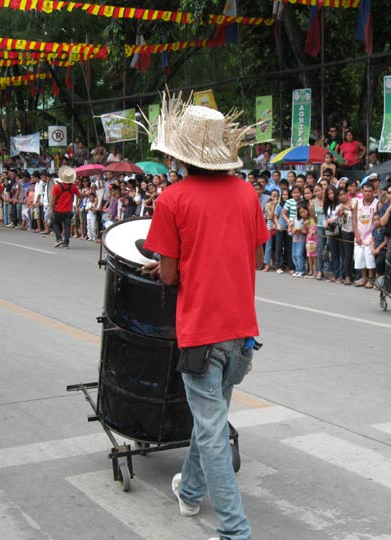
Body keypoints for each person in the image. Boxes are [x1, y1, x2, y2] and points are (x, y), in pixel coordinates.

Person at [142, 99, 266, 540]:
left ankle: (235, 531)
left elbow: (172, 273)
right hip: (242, 333)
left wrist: (171, 266)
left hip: (201, 333)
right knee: (209, 419)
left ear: (179, 156)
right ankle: (190, 491)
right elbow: (255, 256)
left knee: (212, 433)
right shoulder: (248, 193)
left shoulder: (172, 199)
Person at [353, 183, 379, 288]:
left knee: (370, 258)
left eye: (369, 191)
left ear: (373, 192)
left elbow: (379, 221)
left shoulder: (377, 203)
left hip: (371, 236)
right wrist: (356, 235)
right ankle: (363, 278)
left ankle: (370, 279)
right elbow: (354, 220)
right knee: (360, 258)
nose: (367, 193)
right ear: (362, 191)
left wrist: (375, 237)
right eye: (365, 191)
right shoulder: (358, 203)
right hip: (360, 235)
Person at [50, 166, 82, 248]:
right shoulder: (73, 187)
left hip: (58, 209)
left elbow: (53, 199)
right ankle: (66, 242)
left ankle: (59, 238)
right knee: (67, 225)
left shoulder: (57, 187)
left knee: (55, 223)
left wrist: (51, 208)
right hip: (68, 210)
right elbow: (79, 196)